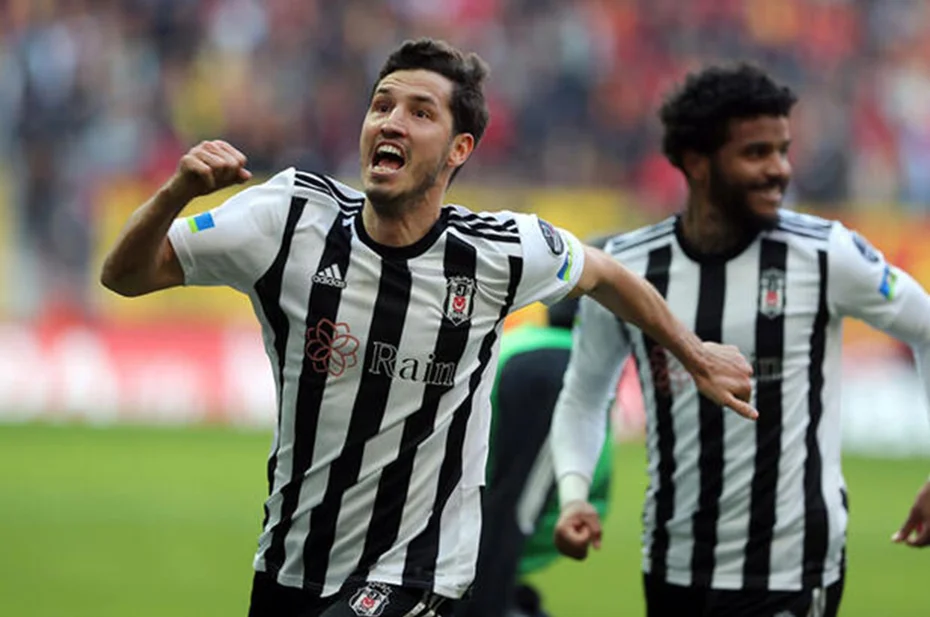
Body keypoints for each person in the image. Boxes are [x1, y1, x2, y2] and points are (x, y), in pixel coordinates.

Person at [99, 39, 755, 617]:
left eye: (420, 112)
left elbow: (605, 272)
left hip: (417, 570)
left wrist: (694, 353)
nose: (391, 121)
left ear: (458, 148)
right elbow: (124, 275)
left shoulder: (497, 252)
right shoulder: (289, 219)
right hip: (291, 560)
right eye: (382, 105)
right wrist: (177, 192)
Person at [550, 63, 930, 617]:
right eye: (756, 153)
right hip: (672, 563)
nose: (780, 169)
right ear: (697, 162)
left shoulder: (827, 254)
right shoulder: (630, 269)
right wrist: (573, 495)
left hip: (794, 568)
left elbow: (926, 326)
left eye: (784, 150)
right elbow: (585, 393)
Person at [456, 295, 614, 617]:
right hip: (479, 564)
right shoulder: (566, 362)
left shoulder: (518, 341)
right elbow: (513, 508)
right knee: (517, 507)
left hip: (452, 533)